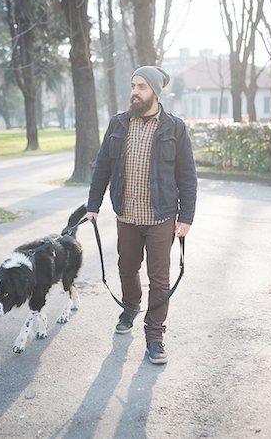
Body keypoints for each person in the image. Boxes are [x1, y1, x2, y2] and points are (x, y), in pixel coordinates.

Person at [85, 66, 197, 364]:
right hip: (127, 217)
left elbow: (187, 176)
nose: (135, 92)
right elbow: (102, 167)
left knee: (159, 279)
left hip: (161, 217)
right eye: (133, 85)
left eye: (142, 87)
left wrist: (186, 217)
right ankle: (130, 307)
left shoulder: (175, 128)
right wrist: (92, 205)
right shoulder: (119, 124)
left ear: (155, 93)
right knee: (126, 268)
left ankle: (155, 337)